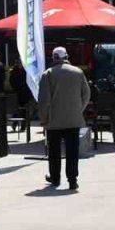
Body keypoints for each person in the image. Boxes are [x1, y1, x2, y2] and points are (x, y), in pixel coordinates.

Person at [38, 46, 91, 190]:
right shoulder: (78, 72)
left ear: (53, 58)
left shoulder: (48, 74)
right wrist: (78, 110)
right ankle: (72, 180)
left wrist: (44, 118)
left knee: (54, 151)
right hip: (73, 119)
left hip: (53, 121)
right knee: (72, 151)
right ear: (66, 56)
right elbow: (86, 94)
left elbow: (43, 100)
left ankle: (55, 178)